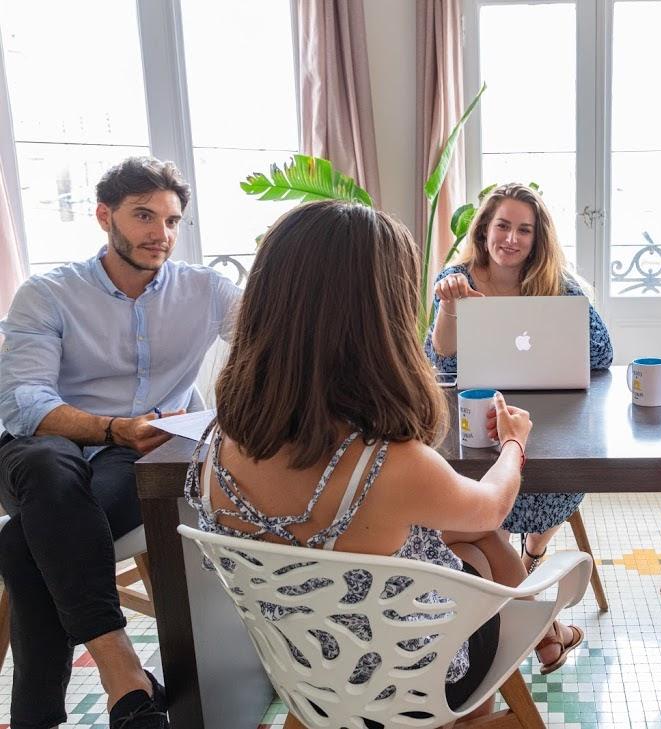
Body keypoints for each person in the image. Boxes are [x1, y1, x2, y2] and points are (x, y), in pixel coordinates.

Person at [185, 201, 582, 727]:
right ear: (378, 318)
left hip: (307, 678)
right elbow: (491, 507)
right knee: (482, 548)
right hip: (409, 685)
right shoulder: (388, 463)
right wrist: (513, 444)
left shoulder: (215, 448)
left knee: (472, 546)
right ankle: (470, 713)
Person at [0, 157, 241, 729]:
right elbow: (23, 403)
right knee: (50, 468)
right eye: (143, 216)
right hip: (38, 448)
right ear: (104, 216)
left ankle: (43, 715)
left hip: (134, 455)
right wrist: (114, 428)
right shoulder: (48, 293)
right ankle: (124, 673)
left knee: (25, 543)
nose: (161, 233)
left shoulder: (207, 291)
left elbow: (277, 350)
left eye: (172, 220)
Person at [426, 183, 613, 573]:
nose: (511, 239)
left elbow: (602, 353)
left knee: (563, 477)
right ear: (484, 229)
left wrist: (562, 327)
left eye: (524, 230)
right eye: (503, 226)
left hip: (548, 419)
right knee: (479, 496)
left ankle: (533, 551)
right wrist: (450, 305)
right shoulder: (457, 279)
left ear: (536, 238)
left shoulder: (555, 282)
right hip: (477, 418)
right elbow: (440, 358)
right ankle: (507, 565)